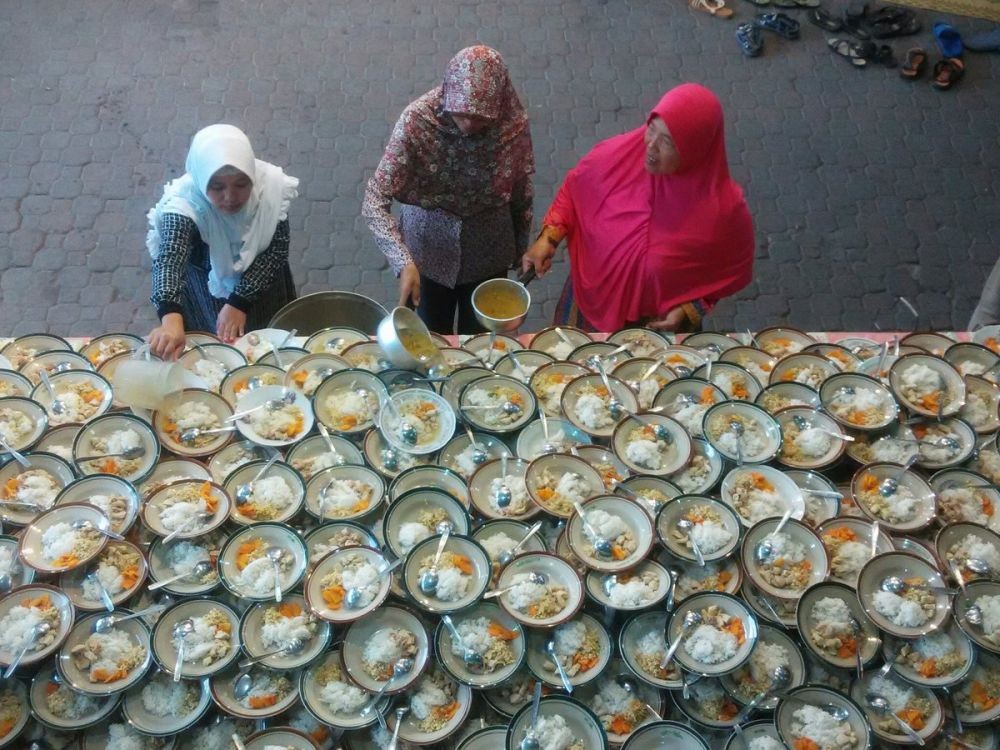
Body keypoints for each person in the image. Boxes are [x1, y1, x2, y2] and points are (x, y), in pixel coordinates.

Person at [521, 83, 755, 333]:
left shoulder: (724, 213)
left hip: (656, 327)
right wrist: (548, 239)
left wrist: (689, 310)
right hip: (586, 308)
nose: (651, 146)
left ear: (696, 150)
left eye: (667, 141)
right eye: (651, 129)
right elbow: (574, 191)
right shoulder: (613, 159)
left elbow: (722, 274)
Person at [362, 45, 535, 334]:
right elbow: (374, 199)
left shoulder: (512, 125)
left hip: (488, 253)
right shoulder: (417, 121)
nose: (468, 124)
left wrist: (521, 249)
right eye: (461, 113)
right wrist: (402, 261)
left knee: (480, 341)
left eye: (481, 119)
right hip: (428, 254)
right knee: (430, 337)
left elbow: (521, 193)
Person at [145, 124, 299, 359]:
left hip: (262, 286)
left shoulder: (271, 189)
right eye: (217, 187)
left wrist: (240, 301)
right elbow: (169, 259)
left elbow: (275, 252)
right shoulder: (184, 205)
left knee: (270, 347)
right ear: (202, 178)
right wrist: (170, 317)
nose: (230, 197)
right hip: (207, 293)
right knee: (217, 349)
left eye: (241, 184)